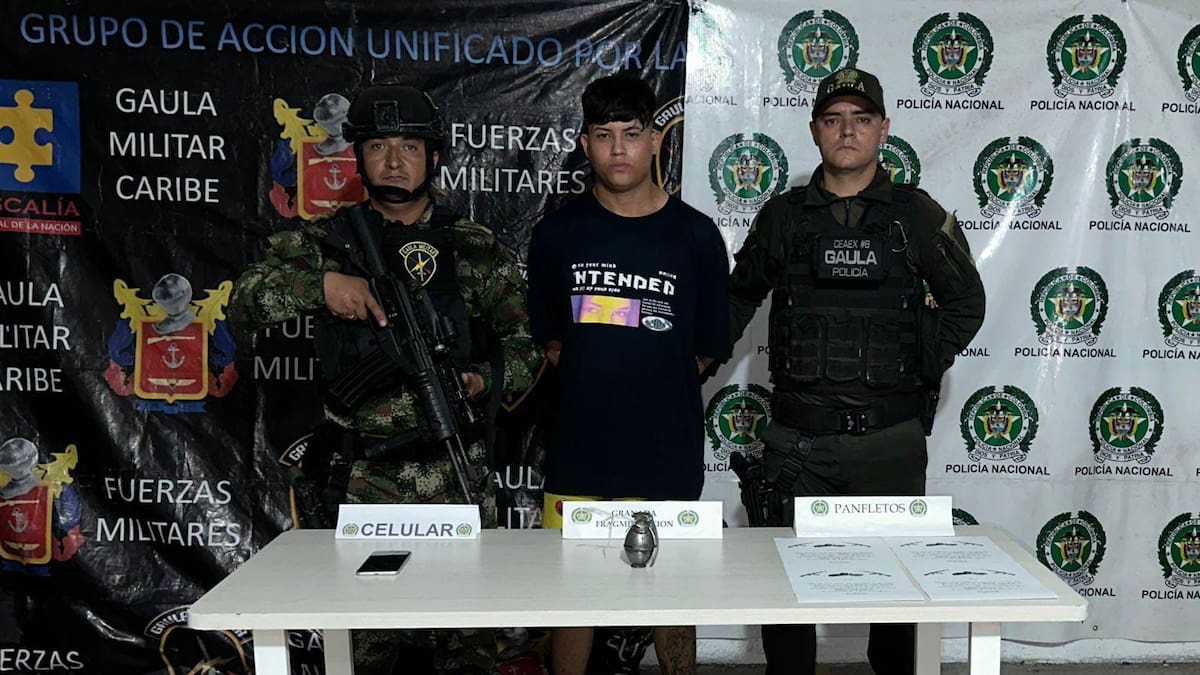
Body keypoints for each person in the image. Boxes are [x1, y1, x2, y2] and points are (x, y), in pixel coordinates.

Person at [231, 83, 542, 675]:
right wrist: (321, 286)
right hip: (363, 484)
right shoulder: (325, 243)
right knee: (364, 654)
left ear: (435, 156)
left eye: (409, 147)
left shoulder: (473, 249)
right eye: (378, 146)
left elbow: (525, 349)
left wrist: (479, 382)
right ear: (357, 156)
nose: (394, 161)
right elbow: (243, 303)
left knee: (468, 651)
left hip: (457, 477)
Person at [726, 67, 986, 675]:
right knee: (787, 603)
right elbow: (737, 298)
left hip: (889, 442)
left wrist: (917, 360)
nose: (847, 131)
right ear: (815, 130)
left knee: (896, 607)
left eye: (861, 119)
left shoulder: (916, 216)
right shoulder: (784, 216)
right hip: (799, 444)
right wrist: (692, 364)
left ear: (883, 130)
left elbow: (966, 303)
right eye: (834, 119)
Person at [525, 73, 732, 675]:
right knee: (572, 596)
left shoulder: (696, 235)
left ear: (656, 141)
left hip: (665, 449)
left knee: (675, 593)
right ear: (584, 144)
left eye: (632, 133)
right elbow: (551, 341)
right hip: (579, 449)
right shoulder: (557, 234)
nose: (618, 149)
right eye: (603, 134)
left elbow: (707, 348)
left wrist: (651, 379)